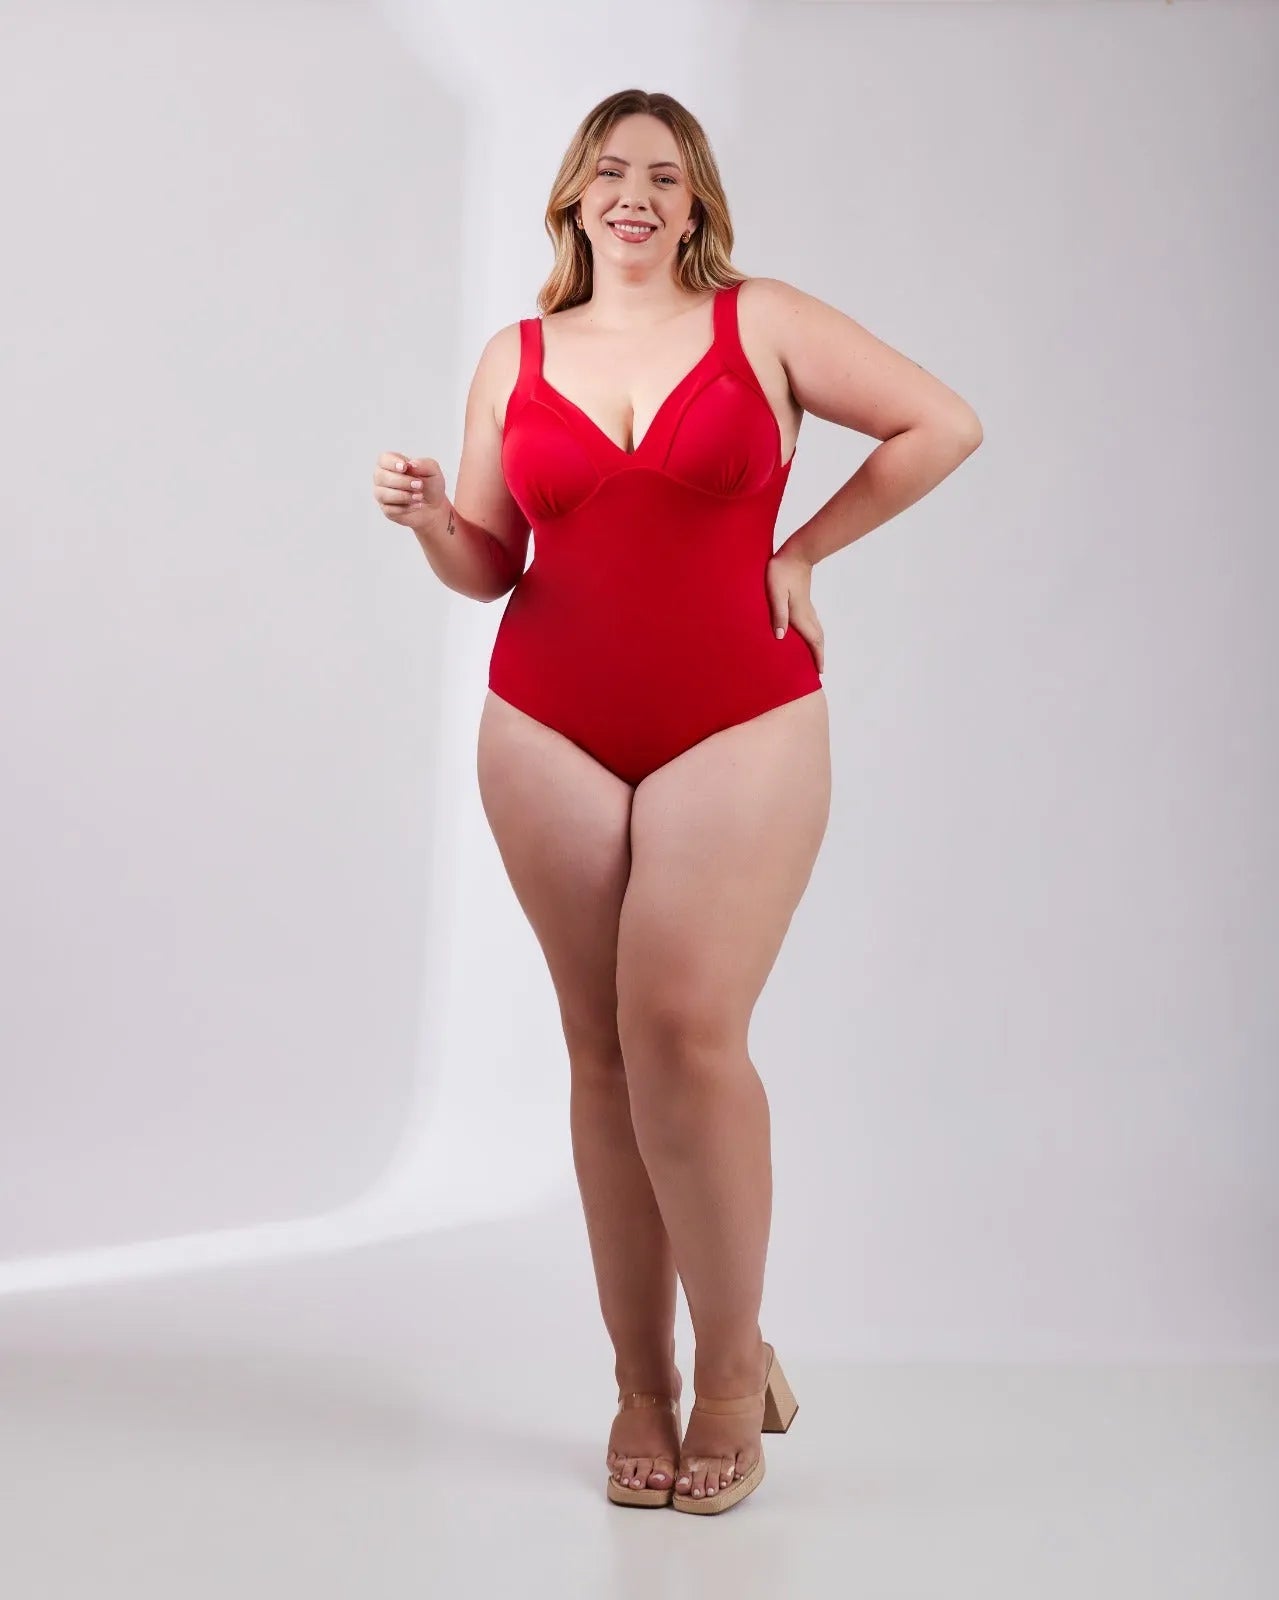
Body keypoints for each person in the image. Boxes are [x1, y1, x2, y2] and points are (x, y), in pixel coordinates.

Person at [372, 87, 982, 1516]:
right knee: (601, 1054)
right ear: (573, 199)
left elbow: (941, 423)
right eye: (609, 171)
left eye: (663, 173)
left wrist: (804, 550)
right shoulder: (516, 354)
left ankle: (730, 1370)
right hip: (547, 725)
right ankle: (639, 1388)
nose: (634, 194)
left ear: (696, 199)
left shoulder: (760, 322)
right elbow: (490, 562)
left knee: (686, 1035)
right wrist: (433, 522)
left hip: (739, 715)